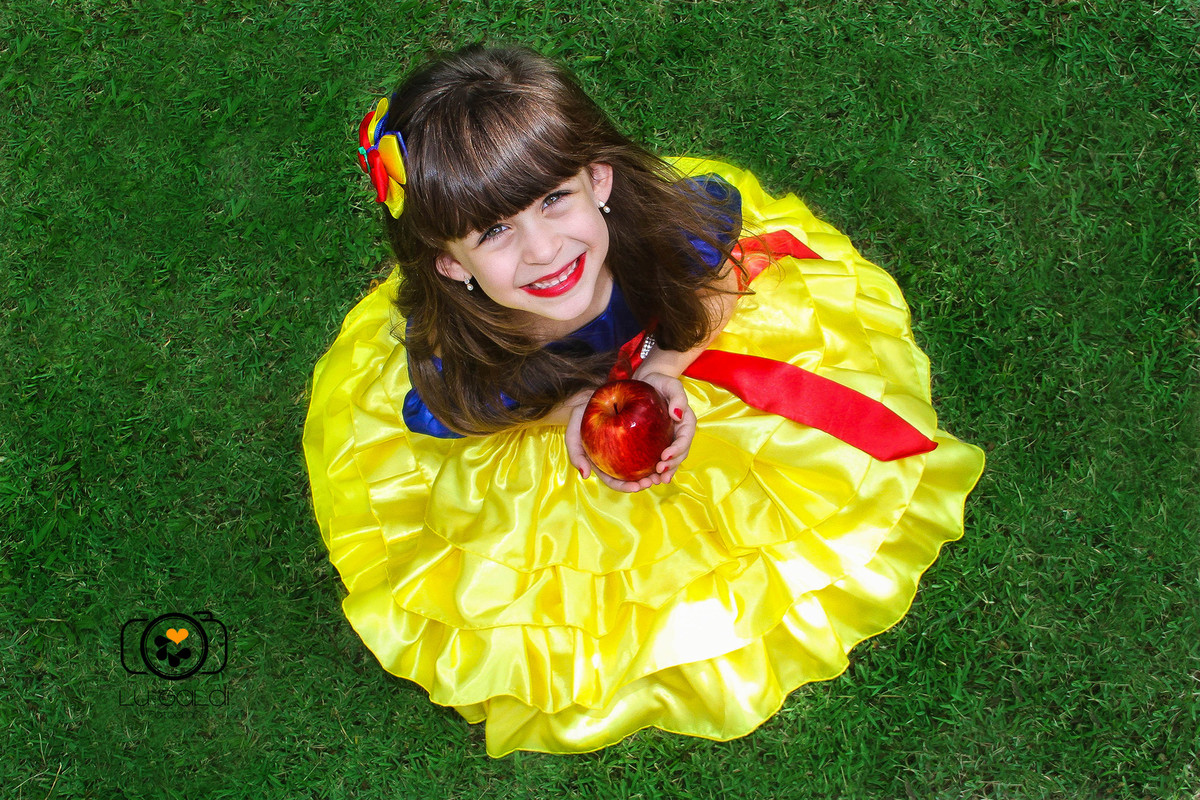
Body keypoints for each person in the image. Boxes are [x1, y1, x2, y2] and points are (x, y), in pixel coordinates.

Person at [303, 45, 985, 758]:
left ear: (597, 179)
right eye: (494, 231)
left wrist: (666, 368)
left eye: (553, 199)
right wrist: (569, 408)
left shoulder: (656, 231)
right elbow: (474, 410)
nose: (542, 250)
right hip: (550, 398)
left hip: (665, 357)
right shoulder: (469, 350)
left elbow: (725, 272)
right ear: (452, 262)